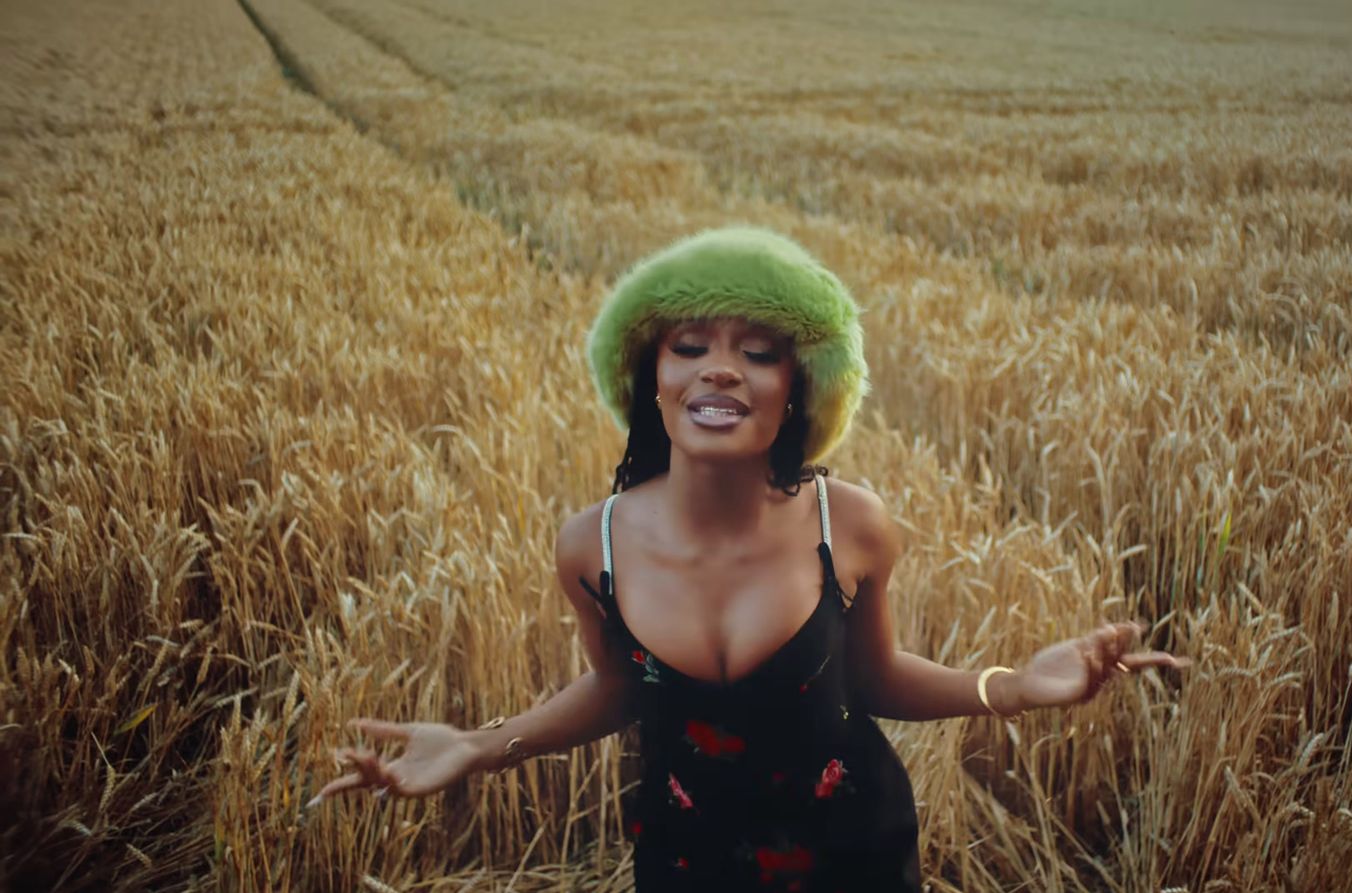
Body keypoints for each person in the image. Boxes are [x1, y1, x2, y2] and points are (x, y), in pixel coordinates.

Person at [312, 226, 1190, 891]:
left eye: (758, 352)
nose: (721, 370)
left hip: (856, 853)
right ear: (650, 381)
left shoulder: (847, 524)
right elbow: (619, 688)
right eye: (689, 347)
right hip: (685, 857)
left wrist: (1013, 687)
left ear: (796, 388)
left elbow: (873, 680)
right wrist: (475, 745)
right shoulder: (594, 546)